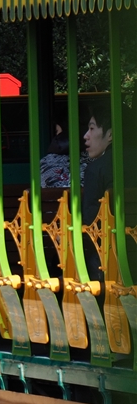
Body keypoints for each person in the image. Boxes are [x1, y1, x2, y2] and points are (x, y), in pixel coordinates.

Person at [81, 106, 113, 281]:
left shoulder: (97, 169)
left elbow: (91, 224)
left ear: (110, 134)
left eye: (92, 128)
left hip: (109, 261)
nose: (86, 135)